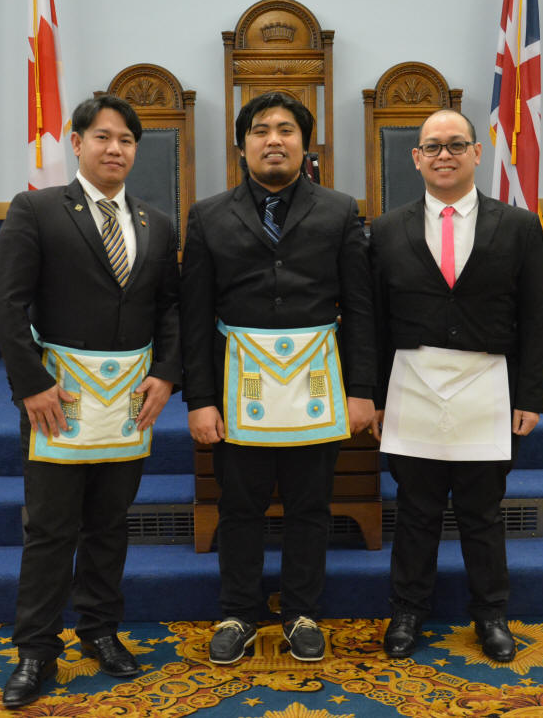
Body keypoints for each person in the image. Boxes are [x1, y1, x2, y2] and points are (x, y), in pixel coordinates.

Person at [0, 94, 180, 708]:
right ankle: (36, 649)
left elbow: (169, 307)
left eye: (125, 139)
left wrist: (167, 374)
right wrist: (31, 385)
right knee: (50, 529)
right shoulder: (38, 209)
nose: (114, 148)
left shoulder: (156, 222)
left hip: (128, 403)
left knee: (109, 523)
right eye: (102, 136)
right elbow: (5, 302)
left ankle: (99, 629)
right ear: (77, 142)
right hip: (58, 399)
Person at [180, 91, 376, 664]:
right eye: (260, 130)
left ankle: (302, 613)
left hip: (316, 387)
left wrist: (362, 390)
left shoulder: (339, 210)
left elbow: (360, 308)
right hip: (239, 390)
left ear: (305, 144)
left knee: (310, 505)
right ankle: (238, 612)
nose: (273, 140)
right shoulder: (208, 215)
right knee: (239, 506)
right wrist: (199, 399)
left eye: (286, 129)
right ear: (242, 145)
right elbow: (194, 316)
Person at [369, 109, 543, 662]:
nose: (443, 155)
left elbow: (536, 318)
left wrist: (531, 397)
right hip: (412, 387)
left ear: (476, 152)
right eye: (432, 146)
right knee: (415, 511)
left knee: (482, 512)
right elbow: (374, 322)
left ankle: (491, 615)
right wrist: (373, 397)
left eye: (455, 144)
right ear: (416, 158)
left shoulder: (518, 226)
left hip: (487, 386)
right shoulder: (386, 230)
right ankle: (407, 612)